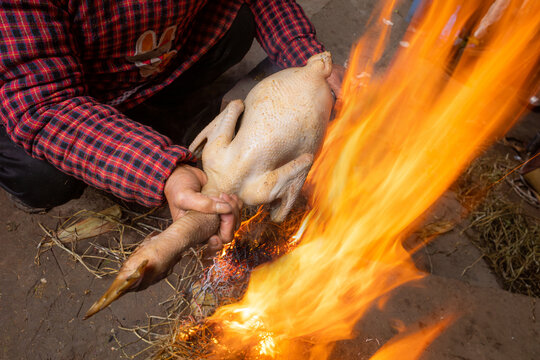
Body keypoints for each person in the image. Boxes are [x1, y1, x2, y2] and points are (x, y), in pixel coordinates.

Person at [0, 1, 344, 254]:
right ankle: (116, 130)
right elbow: (44, 106)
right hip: (57, 88)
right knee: (38, 174)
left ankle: (151, 106)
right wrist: (162, 170)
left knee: (234, 24)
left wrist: (309, 66)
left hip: (154, 56)